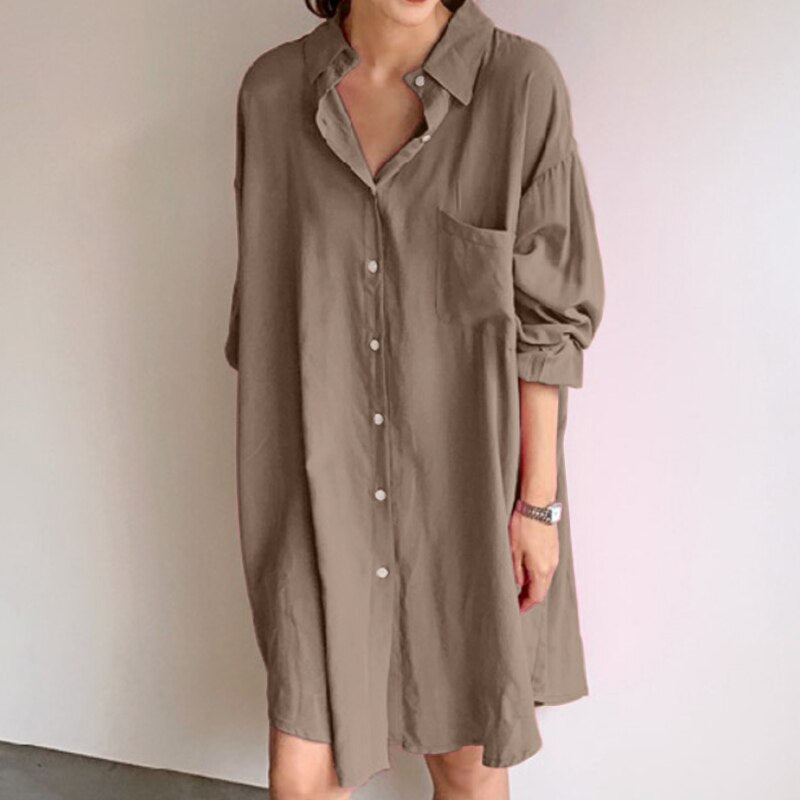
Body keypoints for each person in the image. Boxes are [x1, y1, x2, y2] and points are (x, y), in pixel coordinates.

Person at [223, 0, 605, 797]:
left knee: (465, 765)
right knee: (302, 770)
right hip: (319, 489)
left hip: (463, 499)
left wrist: (537, 509)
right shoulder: (272, 94)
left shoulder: (519, 85)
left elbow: (549, 327)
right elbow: (265, 320)